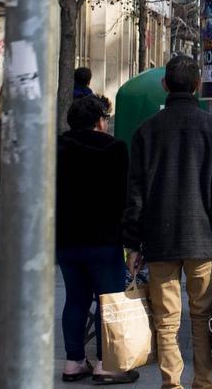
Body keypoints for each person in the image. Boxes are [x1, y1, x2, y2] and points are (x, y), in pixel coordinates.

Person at [122, 55, 212, 389]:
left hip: (159, 241)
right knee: (202, 317)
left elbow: (135, 195)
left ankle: (171, 383)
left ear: (165, 86)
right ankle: (203, 381)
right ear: (197, 86)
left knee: (166, 320)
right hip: (204, 240)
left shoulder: (145, 132)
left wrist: (132, 244)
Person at [55, 95, 138, 385]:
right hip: (105, 240)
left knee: (75, 300)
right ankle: (106, 364)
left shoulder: (56, 148)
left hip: (66, 239)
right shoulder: (115, 149)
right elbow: (125, 197)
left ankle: (73, 361)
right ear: (100, 121)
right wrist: (132, 240)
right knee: (109, 301)